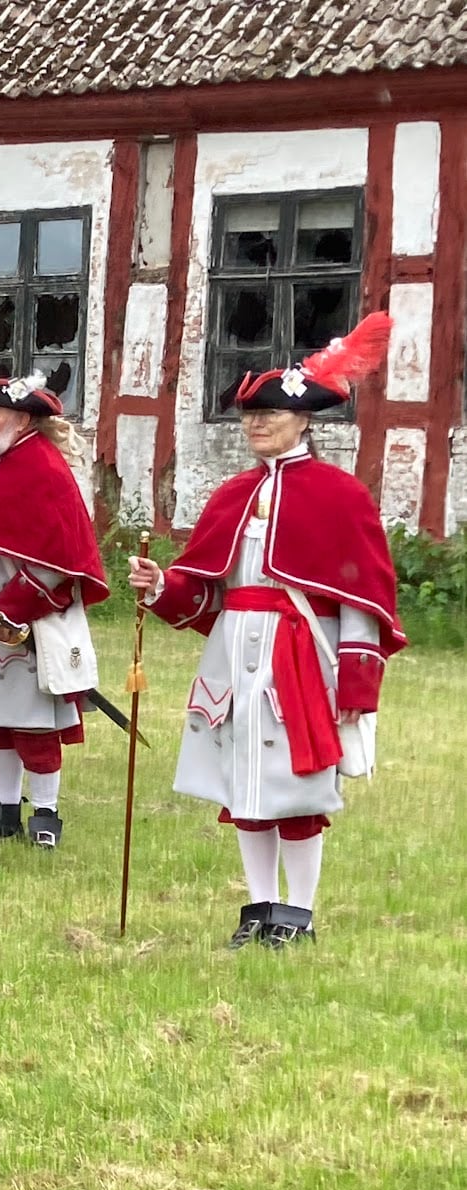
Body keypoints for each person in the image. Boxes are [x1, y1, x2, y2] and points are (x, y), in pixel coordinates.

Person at [127, 313, 404, 948]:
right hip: (233, 657)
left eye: (269, 413)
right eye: (249, 414)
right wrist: (162, 586)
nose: (255, 424)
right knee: (243, 786)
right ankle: (258, 908)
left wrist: (358, 687)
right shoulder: (233, 495)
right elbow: (207, 596)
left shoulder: (341, 496)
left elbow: (362, 601)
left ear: (304, 420)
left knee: (298, 791)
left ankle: (297, 915)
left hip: (302, 658)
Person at [0, 372, 109, 849]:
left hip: (28, 619)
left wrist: (11, 608)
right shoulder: (8, 461)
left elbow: (54, 563)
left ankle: (46, 816)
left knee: (34, 723)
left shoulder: (39, 468)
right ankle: (5, 810)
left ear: (22, 418)